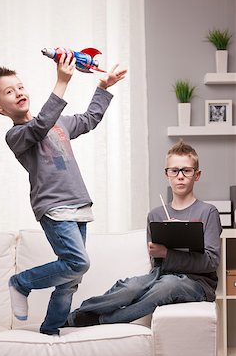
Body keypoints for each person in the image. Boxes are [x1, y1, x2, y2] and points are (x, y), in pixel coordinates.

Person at [0, 53, 127, 335]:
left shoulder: (58, 122)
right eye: (9, 92)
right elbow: (39, 127)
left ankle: (51, 329)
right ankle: (21, 282)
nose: (18, 93)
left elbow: (88, 119)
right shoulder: (16, 136)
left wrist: (103, 88)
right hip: (53, 207)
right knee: (78, 263)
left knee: (71, 277)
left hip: (78, 203)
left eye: (20, 87)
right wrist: (62, 81)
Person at [66, 140, 222, 327]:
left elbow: (211, 262)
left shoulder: (208, 212)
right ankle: (74, 316)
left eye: (186, 170)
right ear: (167, 175)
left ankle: (100, 321)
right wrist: (159, 254)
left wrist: (167, 253)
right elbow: (157, 263)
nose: (180, 176)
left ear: (197, 175)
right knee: (130, 287)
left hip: (197, 283)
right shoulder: (155, 215)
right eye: (174, 171)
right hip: (162, 274)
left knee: (168, 286)